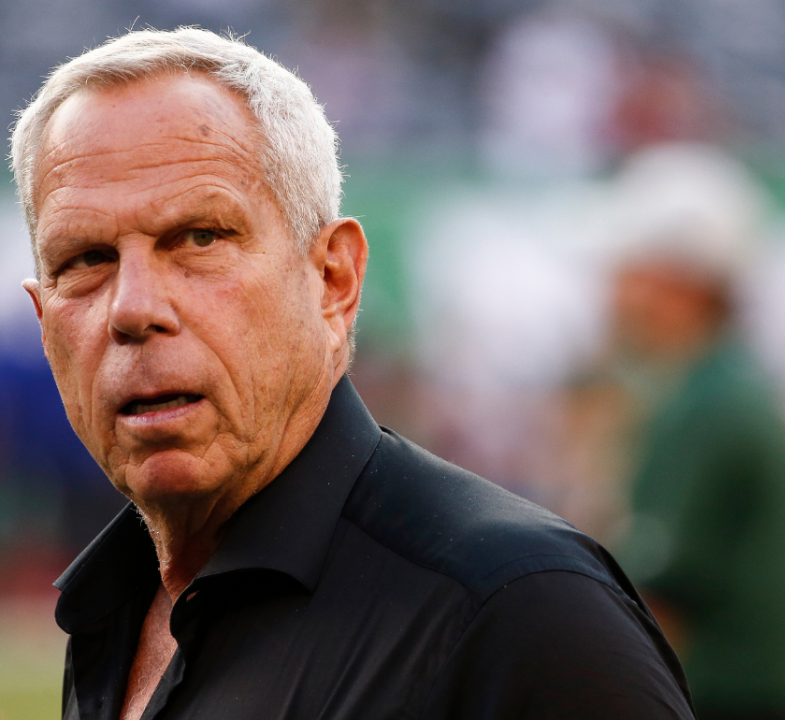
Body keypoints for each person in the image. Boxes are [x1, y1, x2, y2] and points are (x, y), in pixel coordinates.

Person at [11, 28, 695, 720]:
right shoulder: (114, 610)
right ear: (44, 323)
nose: (132, 309)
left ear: (333, 279)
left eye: (199, 238)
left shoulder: (517, 609)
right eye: (86, 259)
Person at [608, 145, 785, 720]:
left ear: (676, 283)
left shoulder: (702, 407)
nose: (612, 293)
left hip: (719, 697)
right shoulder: (748, 390)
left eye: (627, 271)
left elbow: (660, 601)